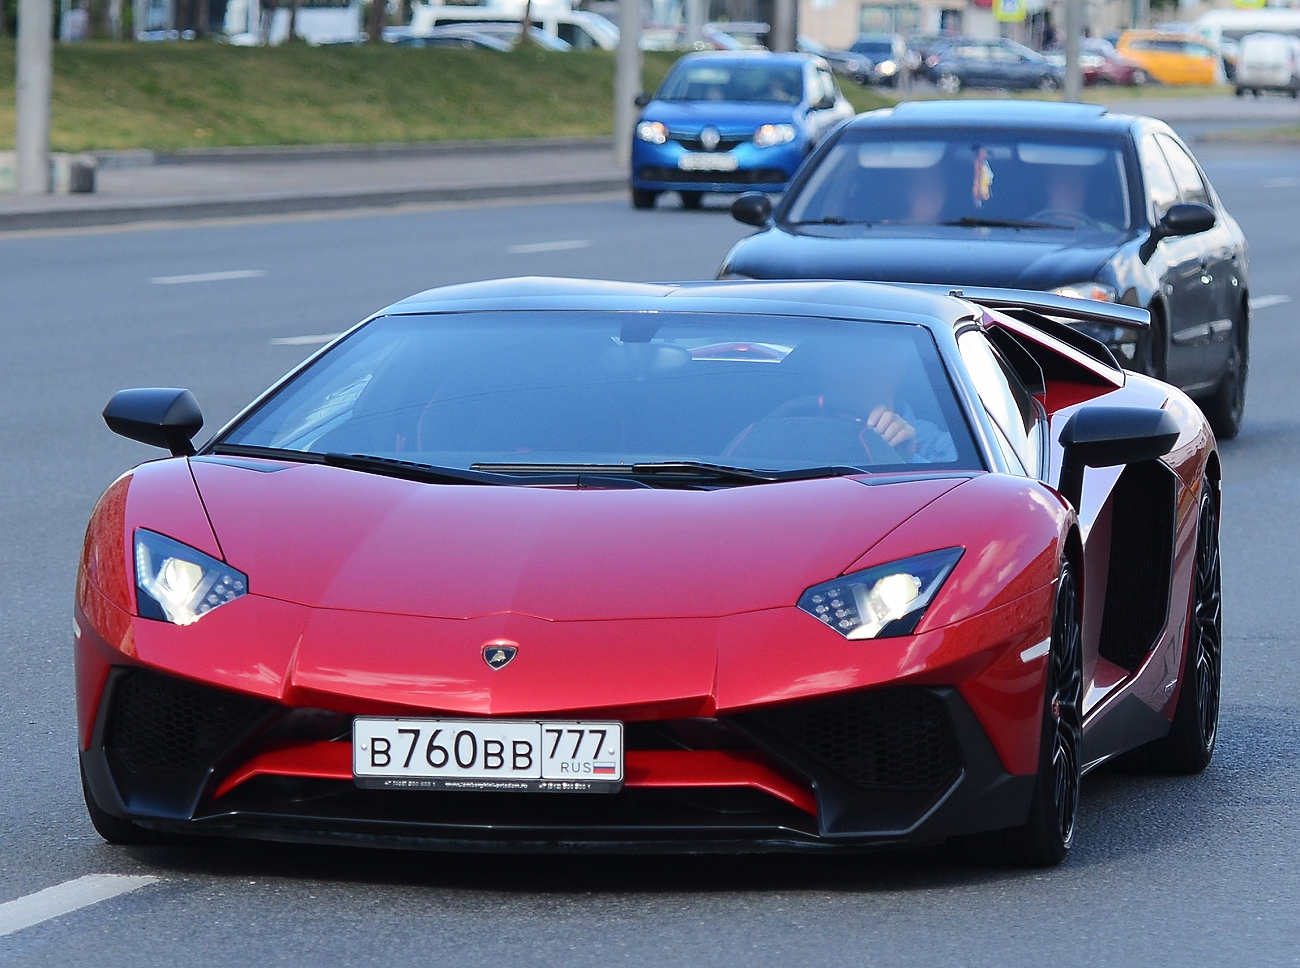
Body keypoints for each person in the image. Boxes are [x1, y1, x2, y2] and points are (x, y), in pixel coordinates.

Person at [726, 334, 957, 465]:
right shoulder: (787, 431)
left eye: (869, 355)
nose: (854, 368)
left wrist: (907, 460)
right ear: (822, 367)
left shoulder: (943, 449)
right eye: (841, 357)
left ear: (900, 364)